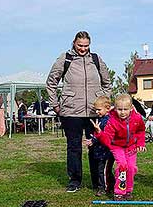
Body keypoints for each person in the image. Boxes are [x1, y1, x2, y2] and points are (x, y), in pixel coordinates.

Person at [46, 31, 112, 193]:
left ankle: (98, 181)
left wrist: (103, 101)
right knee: (74, 146)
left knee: (96, 146)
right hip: (71, 111)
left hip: (93, 112)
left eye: (86, 46)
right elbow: (51, 82)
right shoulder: (65, 59)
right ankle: (74, 180)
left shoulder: (96, 59)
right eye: (80, 45)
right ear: (74, 43)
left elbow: (107, 83)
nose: (83, 49)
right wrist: (56, 105)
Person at [92, 94, 146, 201]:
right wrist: (99, 133)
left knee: (131, 167)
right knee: (122, 166)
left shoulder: (137, 118)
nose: (122, 112)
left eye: (125, 109)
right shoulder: (112, 121)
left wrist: (140, 143)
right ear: (115, 108)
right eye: (119, 109)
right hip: (117, 147)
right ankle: (119, 192)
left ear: (131, 108)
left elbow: (141, 131)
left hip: (131, 146)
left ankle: (128, 190)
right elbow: (107, 139)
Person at [84, 96, 115, 196]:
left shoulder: (108, 120)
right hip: (100, 150)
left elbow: (104, 135)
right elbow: (98, 134)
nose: (97, 112)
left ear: (107, 108)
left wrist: (93, 140)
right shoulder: (101, 119)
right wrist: (93, 140)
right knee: (102, 170)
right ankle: (109, 186)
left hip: (106, 151)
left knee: (104, 170)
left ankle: (104, 187)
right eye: (96, 109)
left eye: (99, 109)